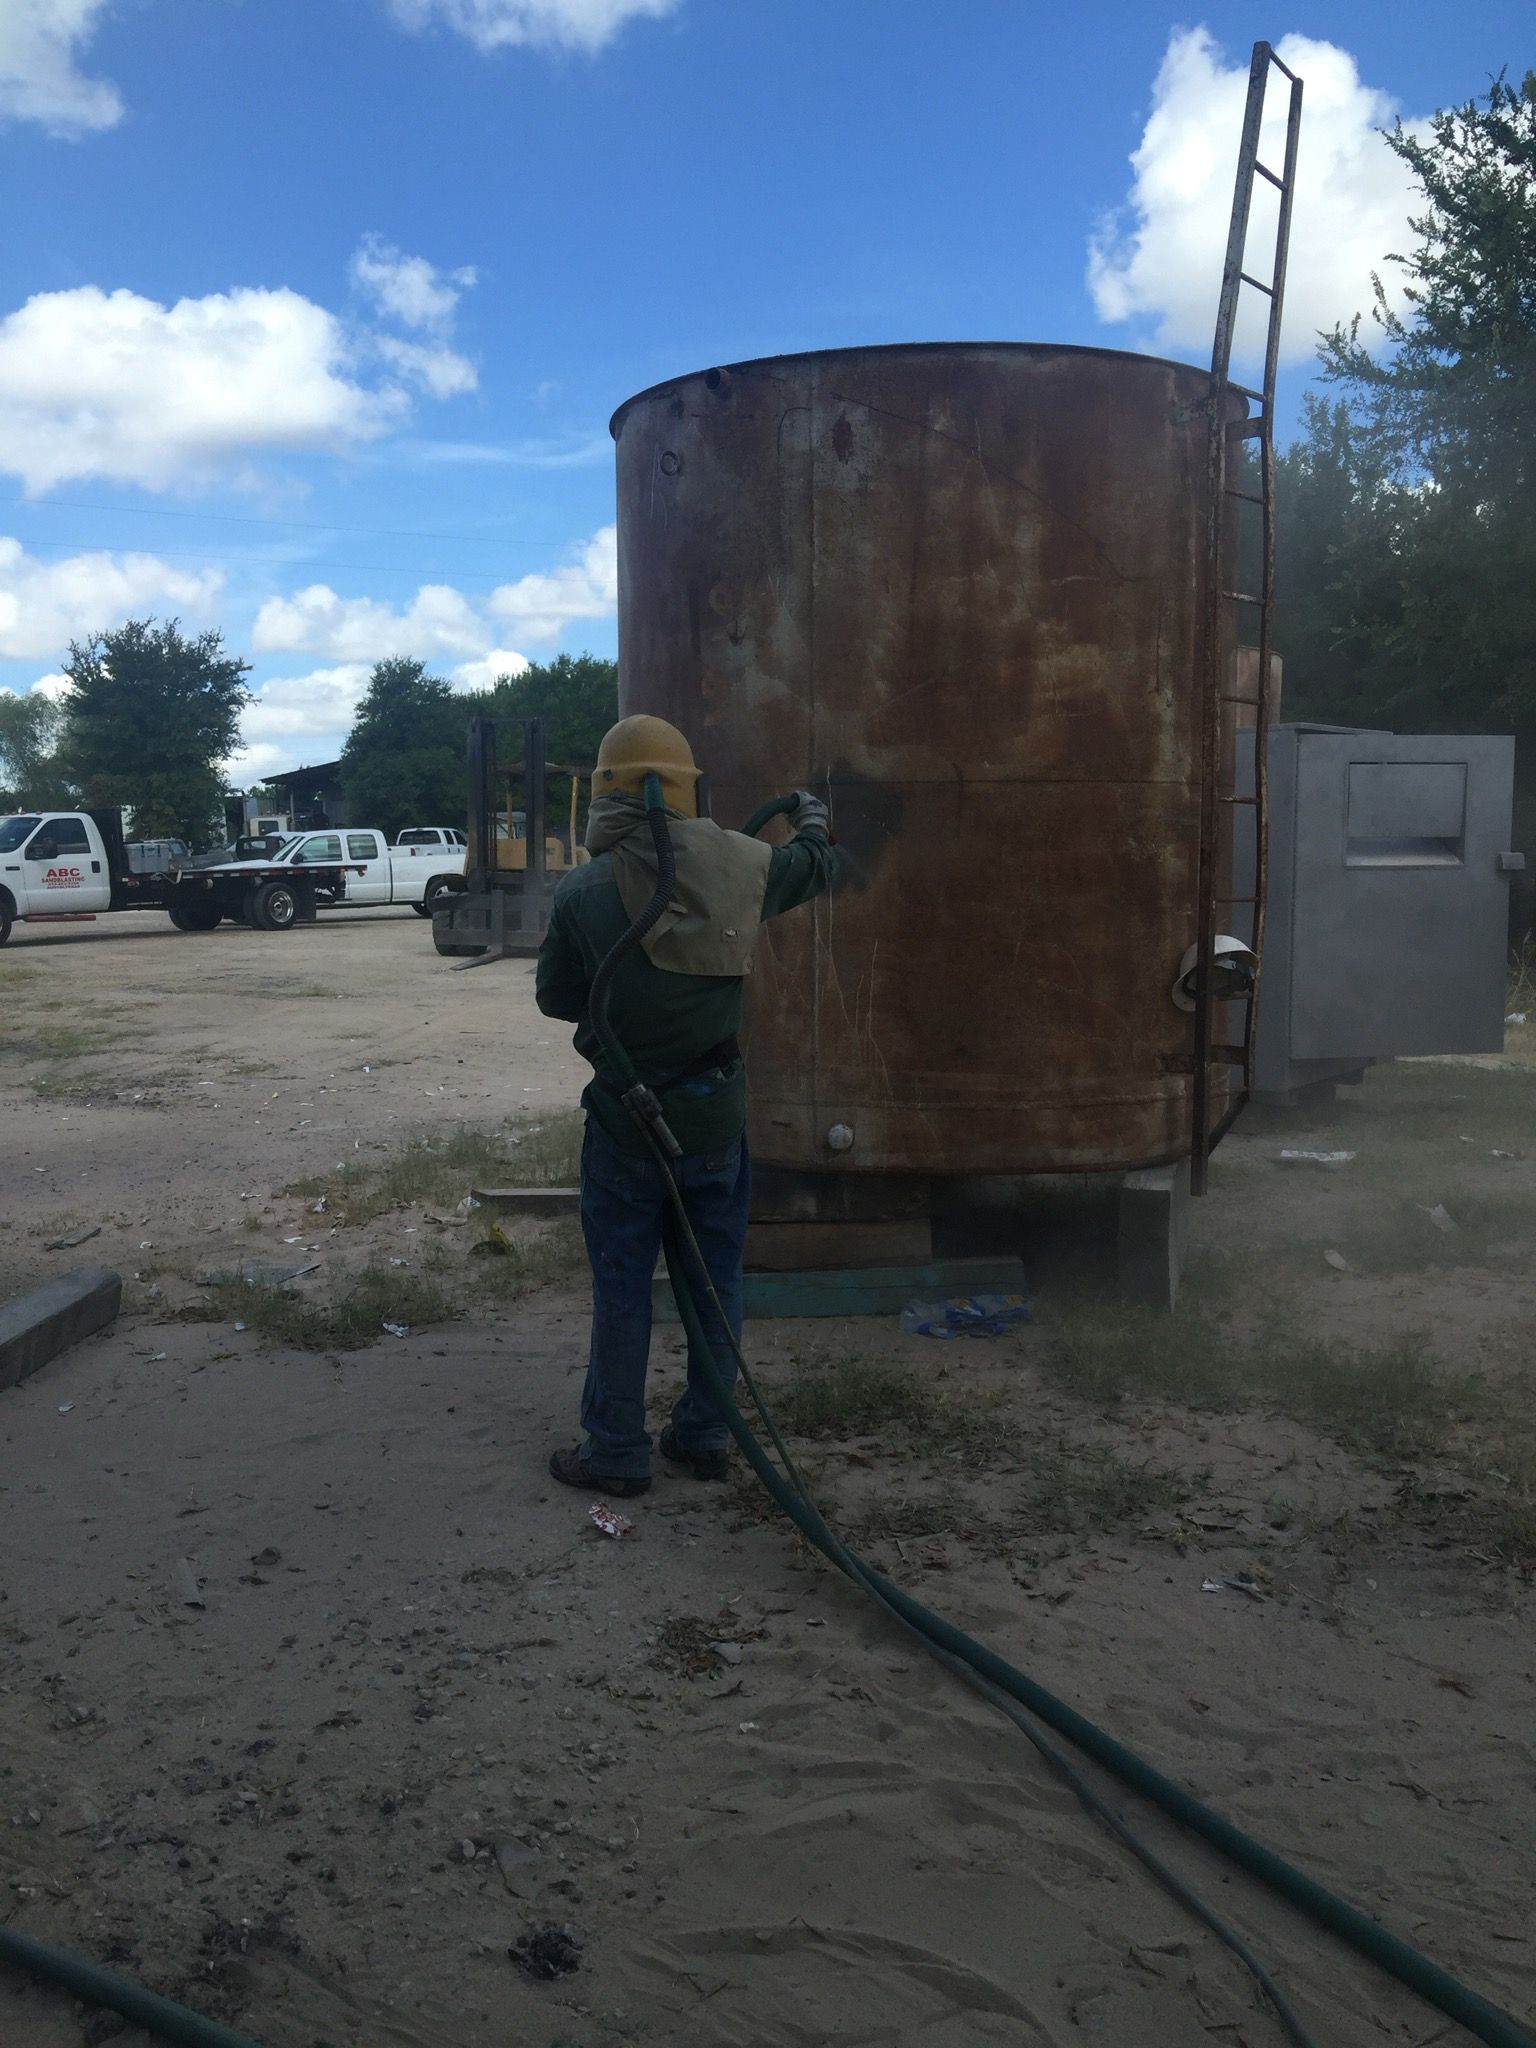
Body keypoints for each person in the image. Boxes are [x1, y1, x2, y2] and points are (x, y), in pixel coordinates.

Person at [536, 714, 836, 1496]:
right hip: (713, 1122)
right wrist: (812, 815)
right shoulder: (743, 867)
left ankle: (614, 1449)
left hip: (626, 1126)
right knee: (714, 1283)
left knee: (624, 1287)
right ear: (686, 786)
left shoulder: (583, 891)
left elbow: (557, 998)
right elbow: (816, 863)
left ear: (606, 790)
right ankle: (705, 1434)